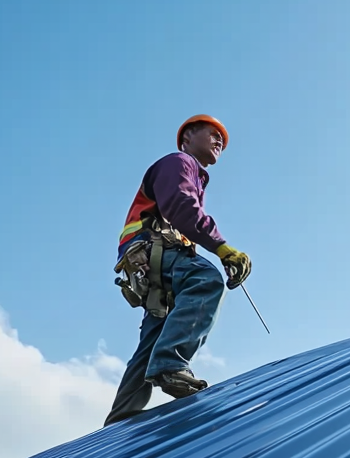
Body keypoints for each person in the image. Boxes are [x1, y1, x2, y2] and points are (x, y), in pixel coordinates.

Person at [103, 114, 252, 426]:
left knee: (157, 329)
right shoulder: (178, 163)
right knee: (205, 280)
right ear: (187, 138)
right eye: (212, 134)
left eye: (222, 141)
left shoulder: (194, 176)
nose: (219, 142)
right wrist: (222, 248)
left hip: (149, 260)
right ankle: (171, 365)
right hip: (153, 249)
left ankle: (123, 412)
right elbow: (182, 207)